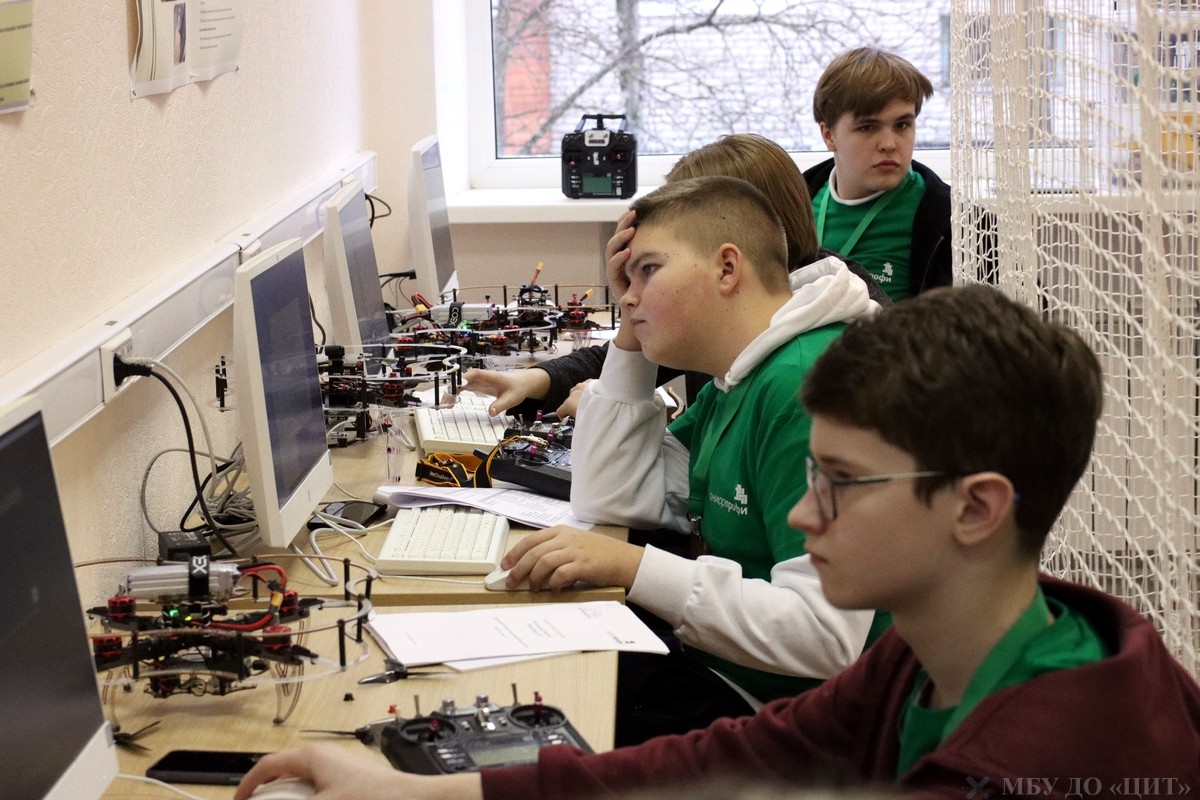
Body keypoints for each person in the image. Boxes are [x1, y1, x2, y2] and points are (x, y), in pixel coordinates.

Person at [236, 285, 1200, 800]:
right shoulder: (933, 651)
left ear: (977, 509)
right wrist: (413, 793)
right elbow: (727, 758)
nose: (802, 516)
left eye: (840, 484)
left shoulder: (1044, 755)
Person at [497, 174, 882, 744]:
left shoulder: (805, 388)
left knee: (545, 715)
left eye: (648, 270)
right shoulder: (741, 373)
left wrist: (630, 568)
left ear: (727, 268)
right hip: (734, 674)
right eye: (627, 280)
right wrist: (631, 338)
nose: (628, 297)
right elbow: (611, 496)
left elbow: (826, 636)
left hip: (801, 722)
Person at [463, 133, 889, 418]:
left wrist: (607, 414)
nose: (633, 294)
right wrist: (538, 378)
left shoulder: (810, 357)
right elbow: (639, 355)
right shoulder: (756, 307)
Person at [804, 47, 951, 303]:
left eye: (902, 125)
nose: (889, 144)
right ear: (828, 135)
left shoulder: (955, 220)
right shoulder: (788, 208)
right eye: (868, 127)